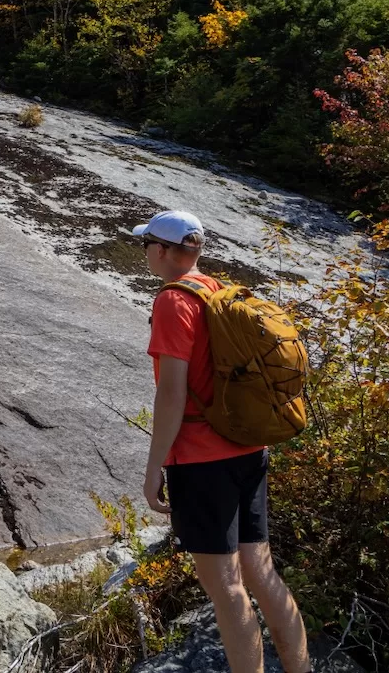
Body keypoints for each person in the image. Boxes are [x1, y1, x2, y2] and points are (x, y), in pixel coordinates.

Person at [133, 209, 311, 673]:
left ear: (165, 251)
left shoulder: (174, 301)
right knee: (260, 570)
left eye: (146, 244)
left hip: (201, 459)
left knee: (226, 585)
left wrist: (155, 468)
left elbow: (172, 392)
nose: (146, 252)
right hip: (249, 446)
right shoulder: (217, 290)